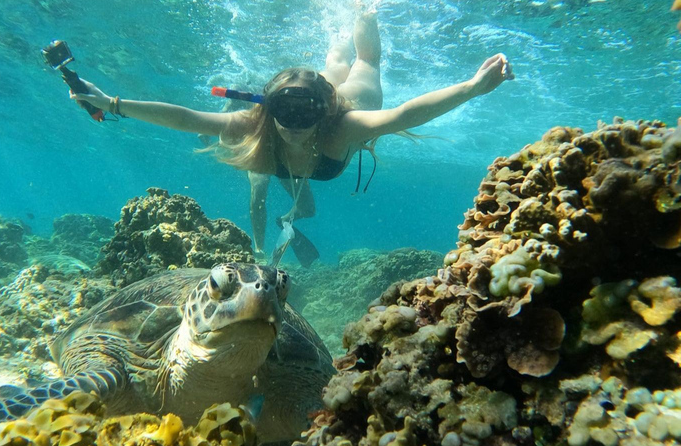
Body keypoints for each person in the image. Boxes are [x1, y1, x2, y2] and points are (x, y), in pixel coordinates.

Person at [70, 10, 514, 265]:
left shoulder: (346, 124)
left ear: (323, 112)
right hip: (323, 95)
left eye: (307, 111)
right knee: (333, 60)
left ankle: (362, 9)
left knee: (365, 60)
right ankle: (333, 50)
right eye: (284, 110)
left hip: (351, 97)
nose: (296, 123)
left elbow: (402, 113)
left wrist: (473, 88)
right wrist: (111, 103)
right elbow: (187, 117)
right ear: (268, 109)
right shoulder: (253, 124)